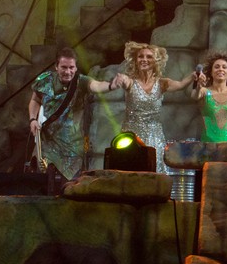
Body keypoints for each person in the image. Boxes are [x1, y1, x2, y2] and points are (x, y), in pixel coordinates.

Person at [28, 47, 115, 180]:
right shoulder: (45, 80)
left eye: (71, 67)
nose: (68, 72)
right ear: (56, 66)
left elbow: (96, 86)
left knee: (69, 185)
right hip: (47, 143)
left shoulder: (81, 81)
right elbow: (35, 100)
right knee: (42, 183)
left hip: (72, 147)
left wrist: (111, 85)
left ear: (75, 68)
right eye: (64, 67)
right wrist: (32, 119)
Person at [110, 42, 195, 173]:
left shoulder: (162, 83)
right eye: (141, 56)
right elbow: (125, 81)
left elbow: (181, 85)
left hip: (154, 136)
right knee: (130, 171)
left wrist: (192, 76)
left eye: (149, 57)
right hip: (131, 137)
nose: (144, 59)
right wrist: (120, 79)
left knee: (153, 171)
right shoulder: (131, 82)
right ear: (135, 60)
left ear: (156, 61)